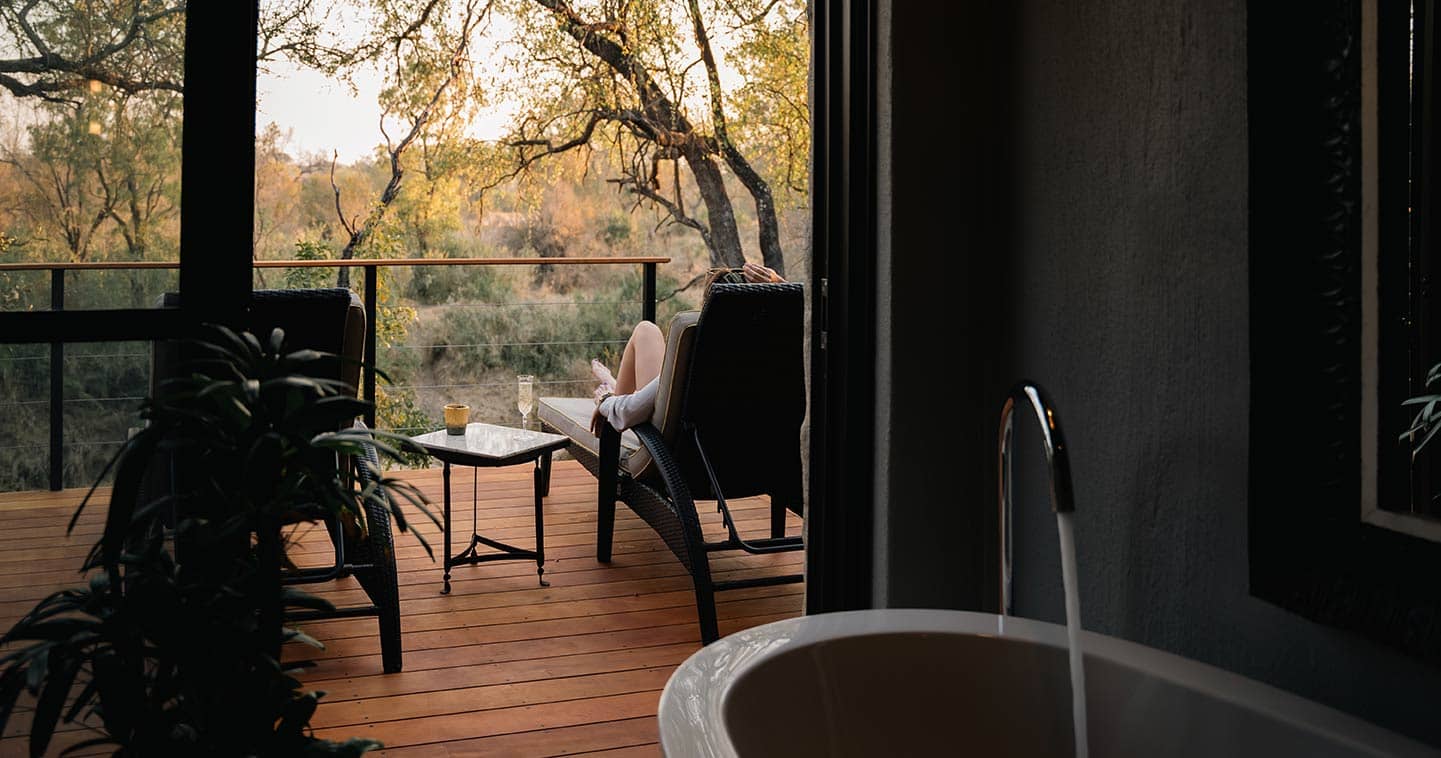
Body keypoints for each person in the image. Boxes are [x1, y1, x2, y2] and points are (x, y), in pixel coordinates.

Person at [589, 261, 784, 435]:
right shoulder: (777, 357)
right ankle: (614, 386)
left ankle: (614, 387)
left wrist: (605, 399)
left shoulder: (703, 361)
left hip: (670, 454)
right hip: (746, 453)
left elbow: (627, 412)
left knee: (645, 330)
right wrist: (781, 288)